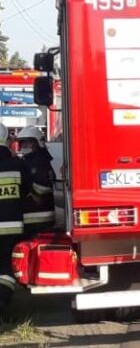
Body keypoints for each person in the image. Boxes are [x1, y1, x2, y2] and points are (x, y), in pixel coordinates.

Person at [0, 123, 32, 312]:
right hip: (11, 229)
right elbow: (28, 191)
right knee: (6, 267)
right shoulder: (17, 165)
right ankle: (3, 301)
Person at [16, 126, 56, 235]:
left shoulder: (40, 161)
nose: (24, 145)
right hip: (31, 216)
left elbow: (46, 187)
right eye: (22, 143)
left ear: (37, 143)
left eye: (28, 142)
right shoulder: (29, 160)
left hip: (41, 217)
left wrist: (28, 186)